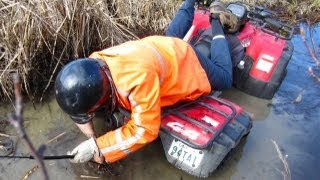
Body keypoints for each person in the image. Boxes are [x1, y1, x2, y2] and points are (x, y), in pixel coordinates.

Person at [54, 0, 239, 164]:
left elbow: (145, 130)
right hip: (157, 47)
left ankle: (216, 21)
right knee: (171, 37)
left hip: (185, 57)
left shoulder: (137, 80)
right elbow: (79, 100)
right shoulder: (93, 65)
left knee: (224, 78)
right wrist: (91, 138)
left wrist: (99, 147)